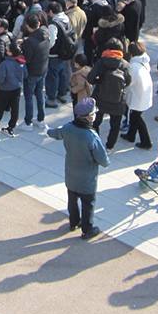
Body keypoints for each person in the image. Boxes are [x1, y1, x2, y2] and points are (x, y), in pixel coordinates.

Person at [47, 98, 110, 240]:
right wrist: (107, 162)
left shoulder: (68, 128)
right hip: (87, 178)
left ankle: (73, 222)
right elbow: (103, 160)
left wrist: (47, 130)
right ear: (88, 117)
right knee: (88, 203)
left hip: (71, 174)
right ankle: (87, 230)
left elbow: (55, 133)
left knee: (72, 199)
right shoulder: (91, 136)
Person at [88, 37, 132, 150]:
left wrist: (99, 82)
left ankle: (95, 143)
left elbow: (90, 78)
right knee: (115, 124)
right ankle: (109, 147)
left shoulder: (101, 62)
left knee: (96, 121)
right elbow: (128, 81)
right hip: (117, 99)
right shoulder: (124, 64)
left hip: (100, 96)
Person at [0, 40, 26, 136]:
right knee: (15, 108)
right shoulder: (21, 62)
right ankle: (11, 128)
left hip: (5, 89)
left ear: (10, 53)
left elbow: (0, 79)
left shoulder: (4, 64)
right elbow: (25, 74)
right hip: (17, 88)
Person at [20, 13, 50, 132]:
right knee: (40, 95)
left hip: (32, 72)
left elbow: (27, 59)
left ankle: (28, 122)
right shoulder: (45, 34)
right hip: (43, 70)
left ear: (28, 26)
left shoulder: (30, 42)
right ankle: (41, 120)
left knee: (29, 97)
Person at [121, 42, 153, 149]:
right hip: (143, 94)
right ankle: (131, 135)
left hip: (138, 95)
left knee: (138, 118)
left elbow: (130, 82)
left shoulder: (134, 66)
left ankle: (146, 142)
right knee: (135, 116)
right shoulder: (144, 61)